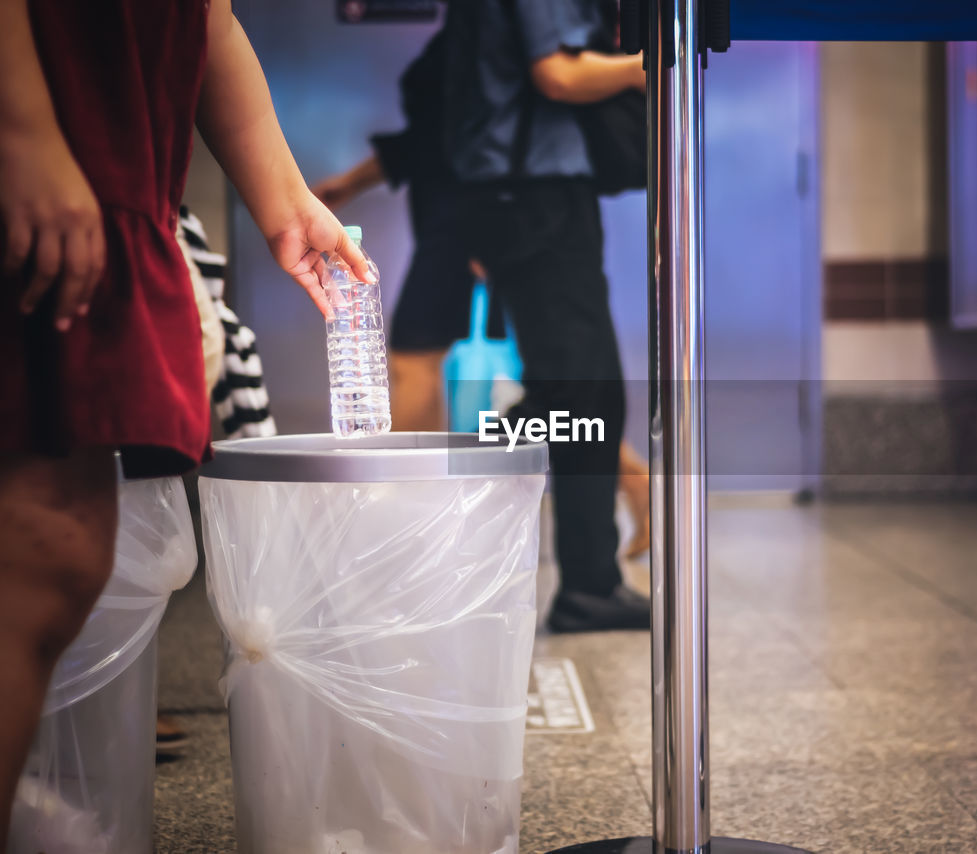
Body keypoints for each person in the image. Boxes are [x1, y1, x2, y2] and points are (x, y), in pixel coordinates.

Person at [0, 0, 369, 837]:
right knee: (36, 549)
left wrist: (285, 200)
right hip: (55, 160)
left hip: (114, 174)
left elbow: (207, 18)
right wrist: (20, 132)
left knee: (62, 550)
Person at [316, 0, 655, 625]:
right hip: (534, 197)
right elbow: (557, 75)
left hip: (519, 197)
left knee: (587, 394)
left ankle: (589, 580)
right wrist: (645, 63)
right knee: (580, 395)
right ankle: (455, 480)